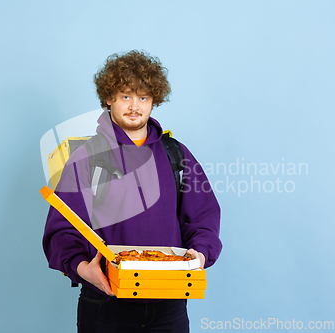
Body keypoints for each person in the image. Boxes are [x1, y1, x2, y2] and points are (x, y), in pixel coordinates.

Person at [43, 50, 222, 332]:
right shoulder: (86, 158)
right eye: (125, 95)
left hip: (169, 302)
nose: (134, 106)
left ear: (154, 101)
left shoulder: (176, 154)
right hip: (106, 302)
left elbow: (203, 217)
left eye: (143, 97)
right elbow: (62, 230)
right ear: (109, 99)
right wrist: (81, 267)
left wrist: (199, 254)